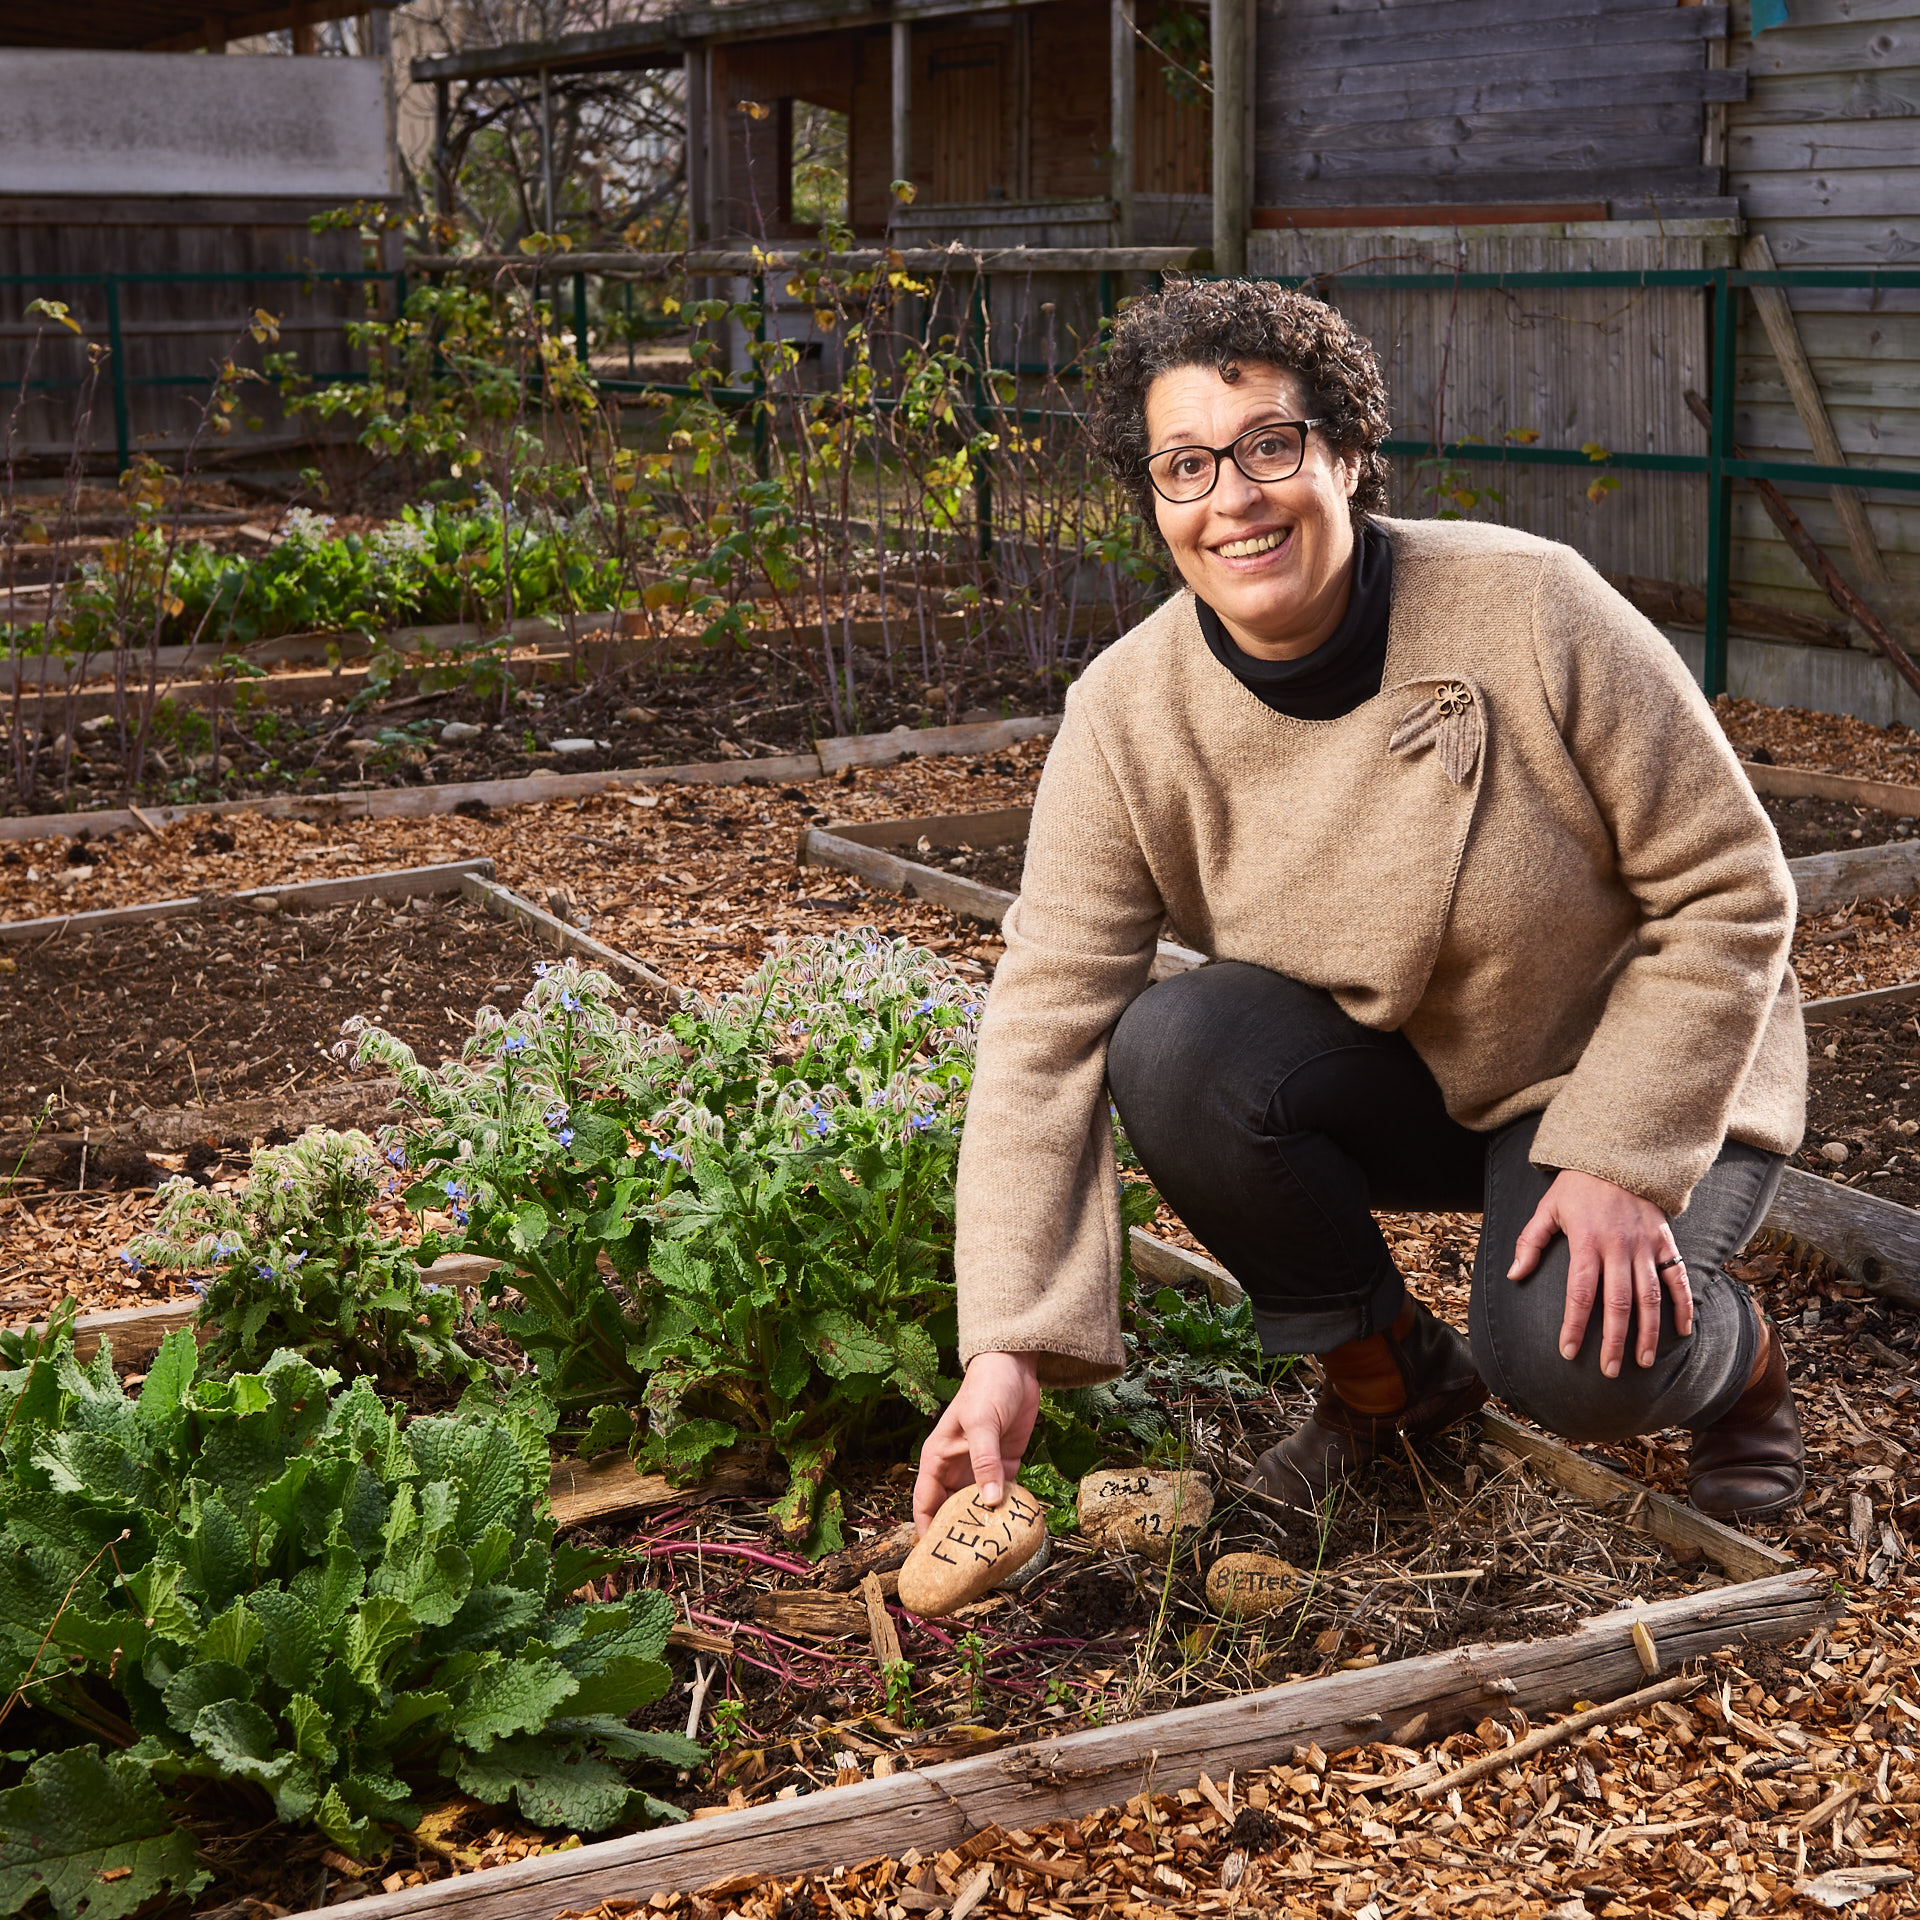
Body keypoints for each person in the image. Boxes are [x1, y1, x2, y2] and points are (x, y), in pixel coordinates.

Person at [912, 277, 1807, 1545]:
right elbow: (1044, 1018)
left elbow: (1729, 885)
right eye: (1185, 467)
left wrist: (1622, 1156)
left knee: (1570, 1362)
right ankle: (1388, 1380)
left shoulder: (1532, 605)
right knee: (1177, 1047)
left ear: (1345, 452)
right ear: (1154, 500)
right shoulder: (1129, 713)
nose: (1233, 497)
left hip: (1631, 1050)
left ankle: (1742, 1367)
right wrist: (1007, 1342)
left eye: (1269, 445)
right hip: (1417, 1067)